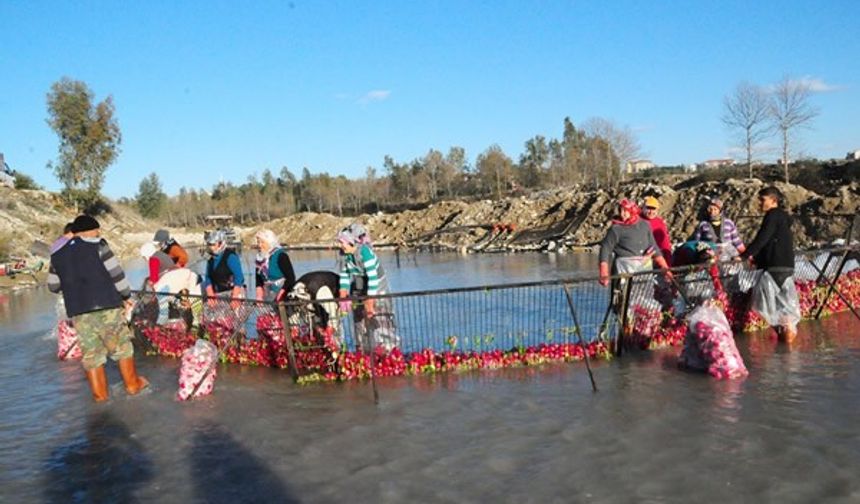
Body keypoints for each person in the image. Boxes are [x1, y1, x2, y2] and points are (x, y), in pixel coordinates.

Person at [47, 215, 148, 402]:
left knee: (92, 356)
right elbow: (117, 275)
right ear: (88, 231)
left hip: (79, 313)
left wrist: (74, 286)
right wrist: (126, 296)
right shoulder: (99, 246)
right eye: (96, 230)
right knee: (122, 348)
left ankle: (100, 396)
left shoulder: (57, 255)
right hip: (107, 307)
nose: (98, 233)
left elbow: (53, 286)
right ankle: (133, 385)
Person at [738, 186, 800, 342]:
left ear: (773, 200)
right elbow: (771, 242)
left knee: (766, 307)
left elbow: (762, 238)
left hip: (775, 267)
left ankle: (786, 344)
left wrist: (744, 255)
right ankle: (787, 350)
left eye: (762, 200)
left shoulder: (772, 215)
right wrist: (757, 259)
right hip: (786, 267)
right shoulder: (783, 218)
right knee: (784, 310)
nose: (759, 203)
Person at [335, 223, 398, 352]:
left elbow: (373, 278)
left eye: (342, 243)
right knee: (359, 317)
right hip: (359, 283)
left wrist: (370, 300)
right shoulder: (345, 255)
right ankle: (363, 349)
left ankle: (389, 349)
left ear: (352, 242)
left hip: (377, 285)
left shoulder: (365, 252)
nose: (340, 246)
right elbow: (345, 274)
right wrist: (343, 294)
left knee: (380, 316)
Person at [598, 199, 672, 286]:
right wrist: (604, 272)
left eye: (625, 211)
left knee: (642, 296)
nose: (622, 214)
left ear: (632, 211)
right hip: (622, 271)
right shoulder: (615, 229)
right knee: (622, 297)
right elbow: (605, 250)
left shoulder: (645, 225)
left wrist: (666, 269)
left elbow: (654, 247)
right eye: (621, 210)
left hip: (643, 270)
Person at [203, 230, 245, 305]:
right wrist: (210, 293)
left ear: (220, 243)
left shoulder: (231, 256)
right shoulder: (211, 259)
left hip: (233, 292)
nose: (210, 247)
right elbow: (208, 277)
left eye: (213, 244)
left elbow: (239, 277)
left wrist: (235, 297)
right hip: (218, 293)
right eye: (209, 244)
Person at [253, 229, 296, 302]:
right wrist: (259, 295)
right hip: (267, 294)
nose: (259, 245)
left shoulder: (281, 256)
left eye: (262, 242)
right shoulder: (260, 259)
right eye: (258, 242)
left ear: (270, 242)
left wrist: (281, 294)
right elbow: (259, 280)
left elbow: (291, 278)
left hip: (283, 292)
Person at [641, 195, 673, 266]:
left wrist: (668, 264)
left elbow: (665, 244)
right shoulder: (636, 220)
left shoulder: (660, 223)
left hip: (655, 257)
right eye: (648, 208)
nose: (651, 211)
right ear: (643, 208)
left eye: (653, 209)